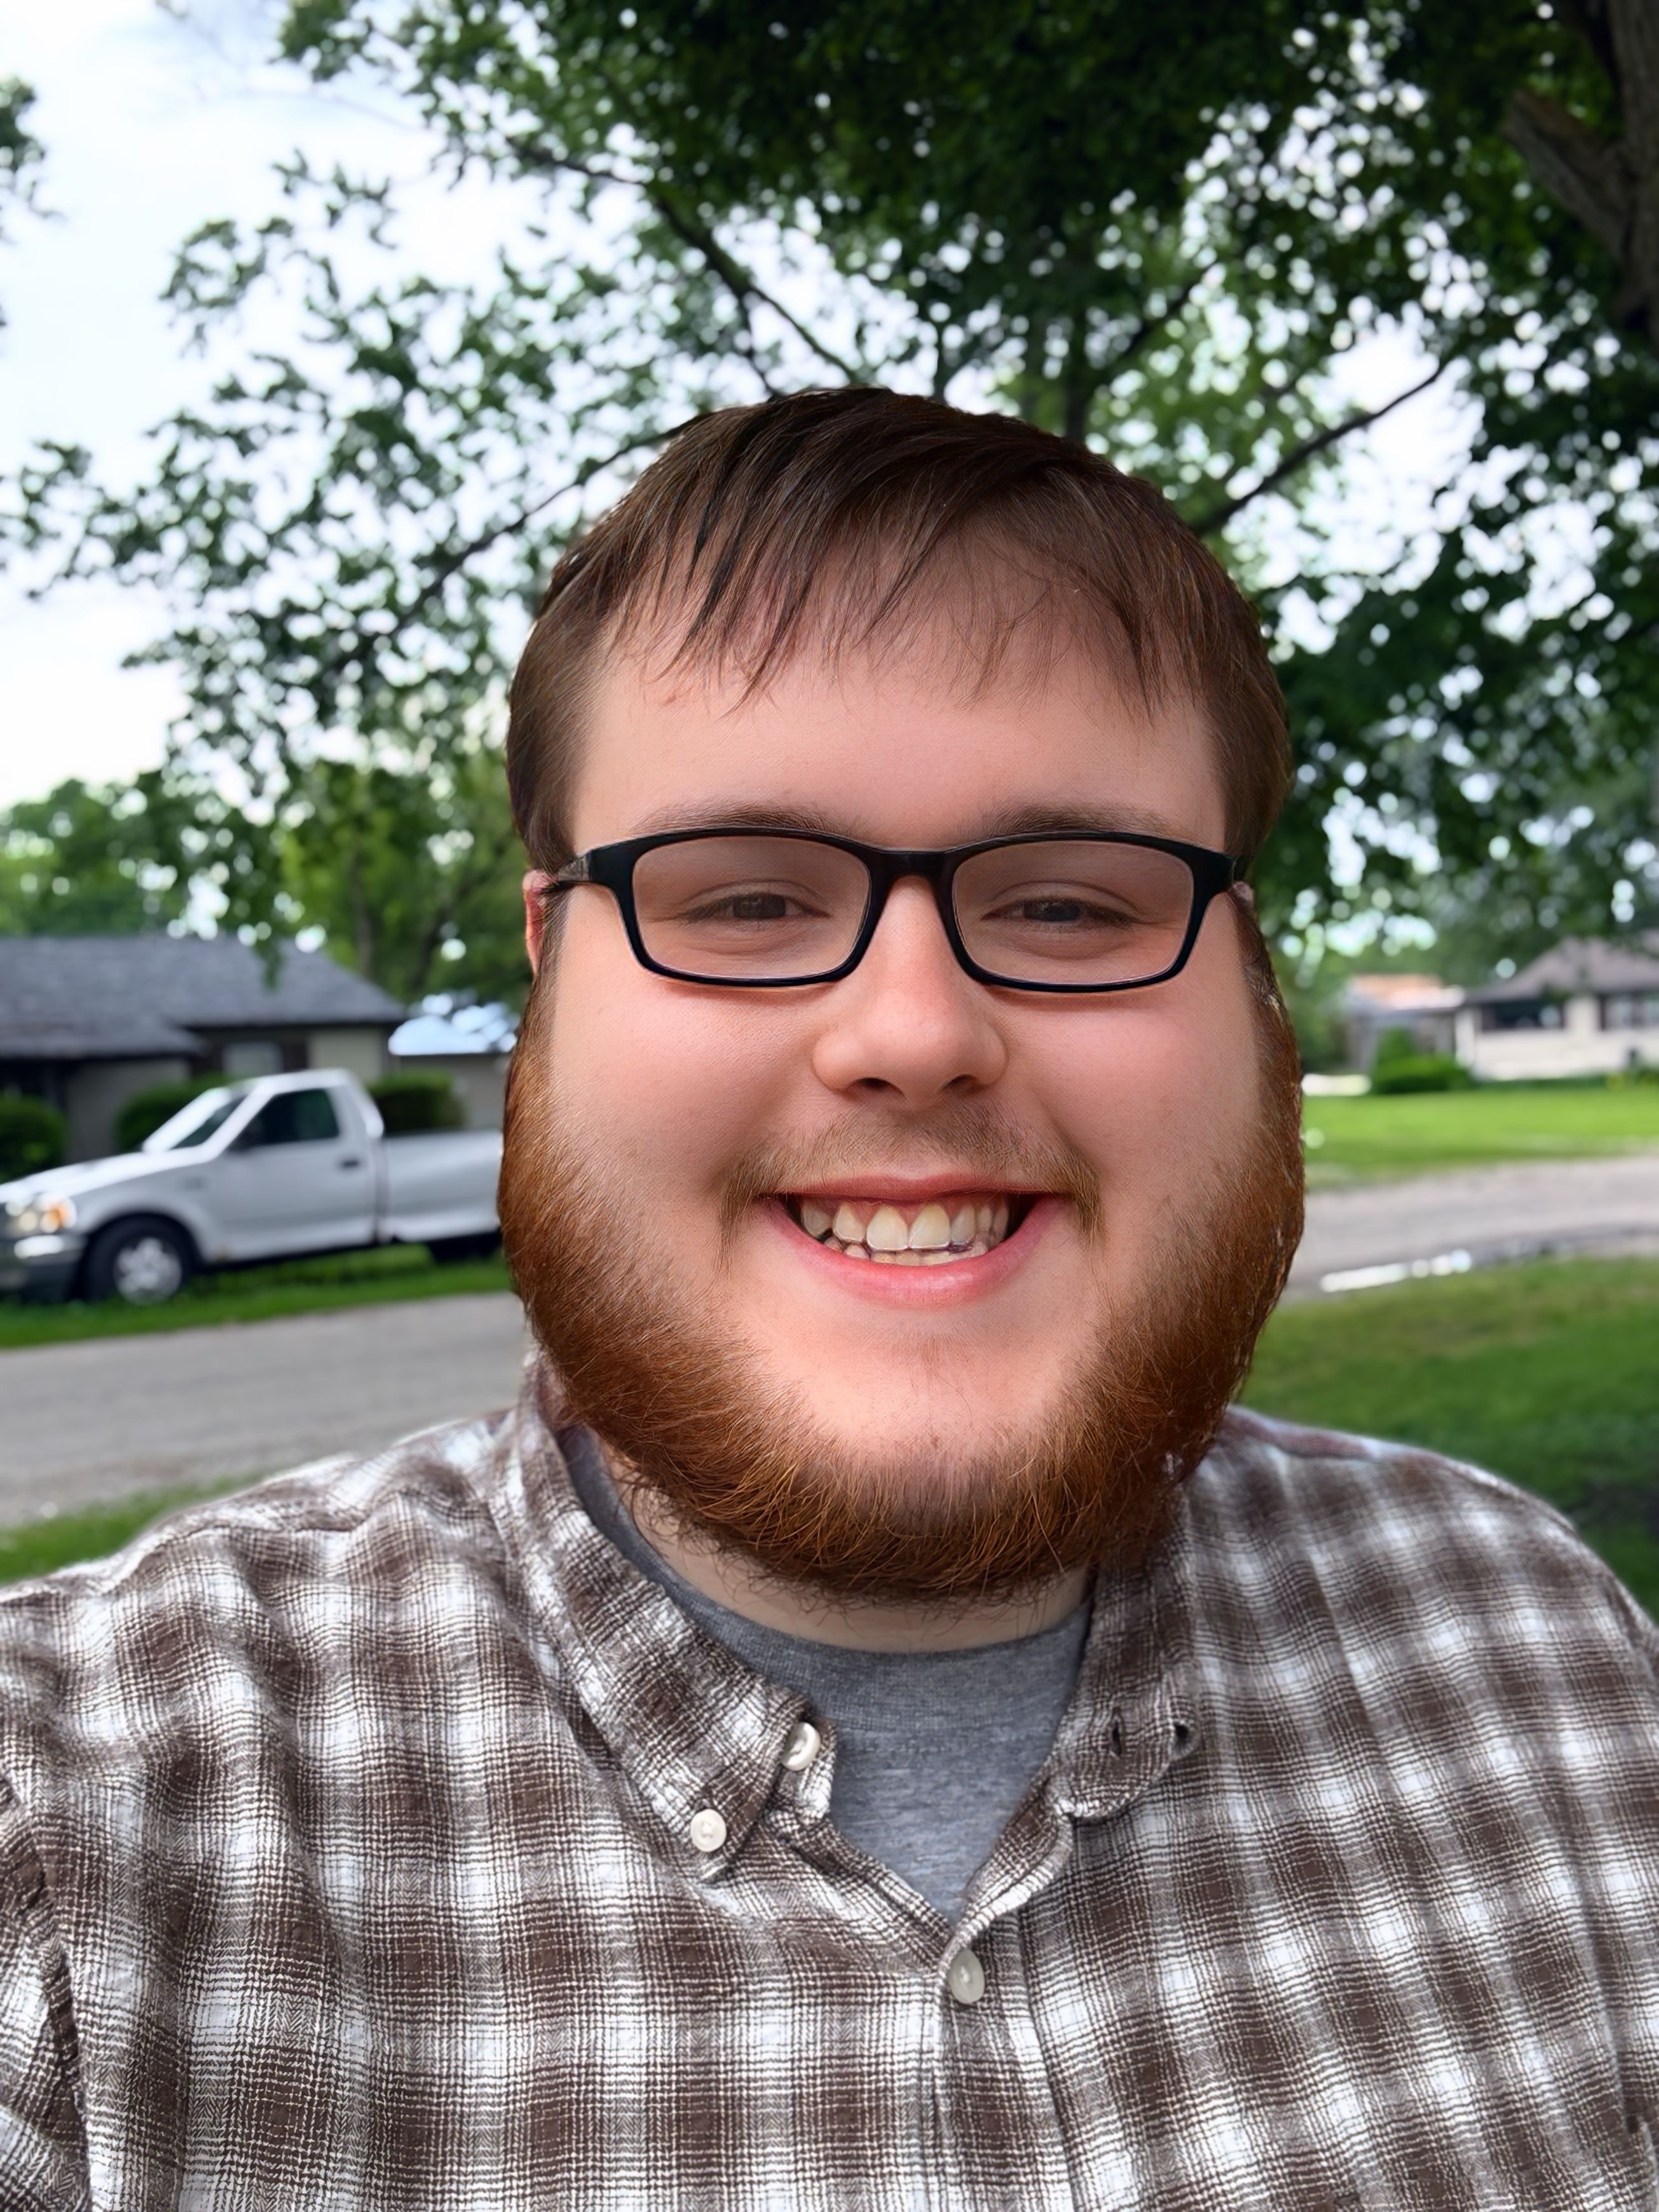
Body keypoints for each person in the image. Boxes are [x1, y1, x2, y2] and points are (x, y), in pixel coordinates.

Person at [2, 389, 1656, 2212]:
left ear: (1244, 980)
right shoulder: (81, 1830)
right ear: (555, 973)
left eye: (1071, 906)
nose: (913, 1033)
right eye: (742, 900)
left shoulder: (1553, 1666)